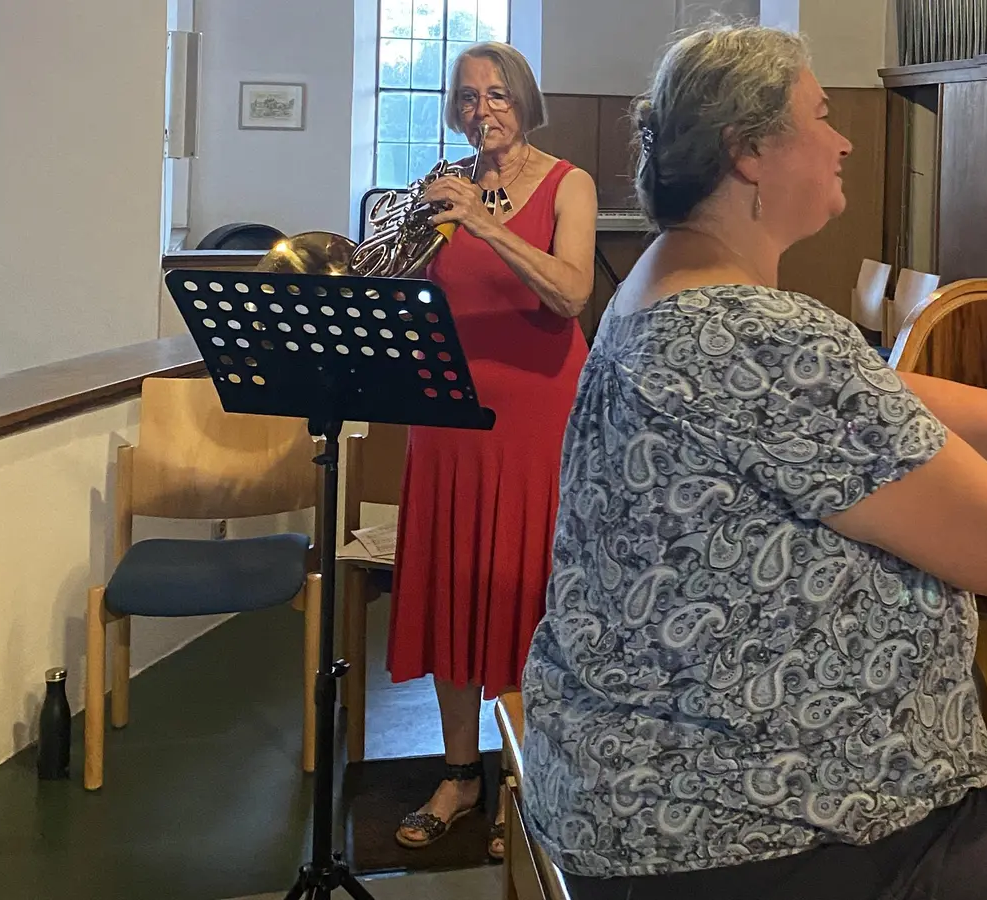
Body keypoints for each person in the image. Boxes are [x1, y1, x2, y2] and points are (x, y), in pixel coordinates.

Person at [517, 23, 987, 900]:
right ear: (748, 153)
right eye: (819, 115)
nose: (845, 137)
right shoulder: (755, 332)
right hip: (777, 831)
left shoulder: (670, 289)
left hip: (653, 795)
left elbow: (876, 403)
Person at [387, 40, 597, 861]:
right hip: (447, 418)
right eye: (469, 97)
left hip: (538, 416)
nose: (484, 110)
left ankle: (529, 778)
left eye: (499, 94)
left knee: (525, 592)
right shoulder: (443, 189)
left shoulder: (566, 183)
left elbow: (572, 291)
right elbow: (413, 295)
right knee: (454, 582)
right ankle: (460, 771)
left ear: (526, 101)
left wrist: (480, 219)